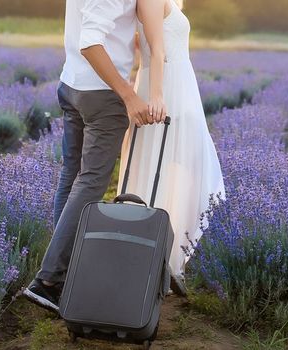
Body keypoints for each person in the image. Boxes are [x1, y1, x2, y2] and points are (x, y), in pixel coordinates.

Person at [23, 0, 159, 313]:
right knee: (90, 183)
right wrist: (128, 95)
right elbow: (90, 43)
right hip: (101, 95)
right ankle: (47, 281)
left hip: (72, 84)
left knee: (72, 178)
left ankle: (60, 272)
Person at [116, 0, 225, 294]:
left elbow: (143, 42)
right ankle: (151, 259)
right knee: (158, 169)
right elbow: (157, 49)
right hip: (167, 88)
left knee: (182, 171)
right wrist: (156, 95)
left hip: (181, 85)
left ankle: (171, 258)